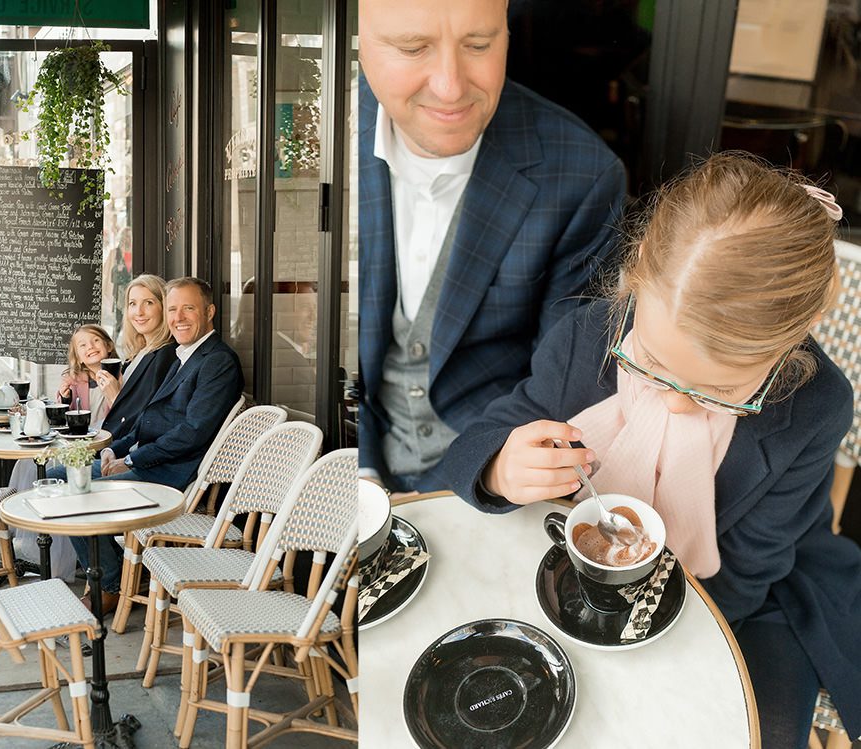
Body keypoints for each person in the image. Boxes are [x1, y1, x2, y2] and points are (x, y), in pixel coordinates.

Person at [443, 153, 861, 747]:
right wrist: (500, 467)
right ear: (637, 273)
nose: (677, 404)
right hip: (559, 563)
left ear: (794, 338)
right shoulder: (587, 335)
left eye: (719, 392)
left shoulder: (817, 405)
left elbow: (753, 565)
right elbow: (483, 439)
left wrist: (647, 632)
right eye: (654, 364)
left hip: (728, 593)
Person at [358, 0, 627, 494]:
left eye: (478, 45)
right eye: (413, 48)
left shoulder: (583, 174)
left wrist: (485, 472)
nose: (450, 87)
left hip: (492, 470)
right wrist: (361, 469)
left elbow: (564, 378)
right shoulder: (317, 130)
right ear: (358, 42)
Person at [65, 277, 244, 612]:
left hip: (171, 473)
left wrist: (133, 461)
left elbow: (191, 432)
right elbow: (149, 418)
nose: (178, 318)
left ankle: (111, 584)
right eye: (173, 309)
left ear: (209, 312)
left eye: (188, 308)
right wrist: (114, 450)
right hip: (153, 460)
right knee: (63, 474)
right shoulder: (184, 355)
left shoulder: (217, 361)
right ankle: (122, 571)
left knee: (76, 493)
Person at [98, 274, 178, 440]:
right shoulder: (139, 353)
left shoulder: (166, 355)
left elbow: (146, 421)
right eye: (132, 304)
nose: (139, 312)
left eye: (148, 303)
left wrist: (115, 397)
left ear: (164, 307)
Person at [57, 324, 119, 429]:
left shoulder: (122, 377)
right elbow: (64, 416)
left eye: (96, 340)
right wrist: (65, 398)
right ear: (78, 358)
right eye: (83, 345)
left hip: (112, 434)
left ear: (109, 346)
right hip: (84, 435)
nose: (90, 346)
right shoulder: (73, 382)